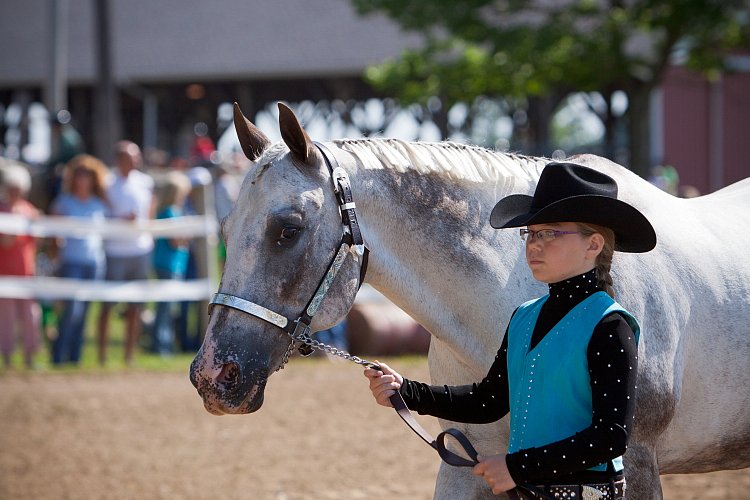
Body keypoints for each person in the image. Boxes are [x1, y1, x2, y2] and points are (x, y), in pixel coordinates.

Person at [364, 163, 657, 499]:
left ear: (593, 246)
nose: (533, 245)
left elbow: (611, 437)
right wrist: (407, 391)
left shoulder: (611, 326)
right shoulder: (524, 317)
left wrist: (517, 468)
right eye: (530, 233)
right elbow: (488, 401)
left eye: (550, 233)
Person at [98, 141, 154, 366]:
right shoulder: (107, 183)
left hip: (140, 250)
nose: (136, 160)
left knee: (136, 307)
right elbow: (101, 214)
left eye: (136, 156)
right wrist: (119, 221)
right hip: (115, 251)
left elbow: (150, 211)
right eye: (131, 157)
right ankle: (102, 355)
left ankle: (129, 355)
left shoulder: (145, 182)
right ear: (119, 159)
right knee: (107, 306)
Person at [49, 154, 109, 365]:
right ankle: (58, 355)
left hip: (94, 262)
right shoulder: (64, 202)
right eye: (79, 175)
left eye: (87, 176)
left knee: (84, 312)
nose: (82, 180)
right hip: (71, 261)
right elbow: (53, 234)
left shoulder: (99, 204)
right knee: (71, 310)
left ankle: (75, 357)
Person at [0, 164, 41, 369]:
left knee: (31, 316)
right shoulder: (2, 210)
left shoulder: (29, 210)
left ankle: (30, 357)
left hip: (26, 272)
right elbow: (5, 242)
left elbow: (36, 241)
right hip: (5, 272)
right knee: (5, 318)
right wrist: (17, 223)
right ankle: (7, 359)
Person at [151, 171, 191, 355]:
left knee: (166, 308)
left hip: (169, 263)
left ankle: (163, 345)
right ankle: (161, 346)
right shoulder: (170, 212)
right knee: (165, 309)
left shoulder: (166, 211)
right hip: (168, 264)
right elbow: (175, 240)